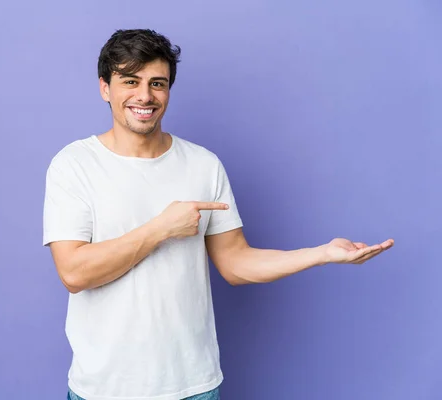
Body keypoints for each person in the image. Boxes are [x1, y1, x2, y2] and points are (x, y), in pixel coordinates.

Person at [42, 29, 394, 400]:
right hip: (103, 389)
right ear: (105, 88)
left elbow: (236, 262)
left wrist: (323, 254)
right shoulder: (74, 165)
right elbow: (74, 272)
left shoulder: (203, 165)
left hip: (195, 386)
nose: (144, 96)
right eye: (130, 81)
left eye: (157, 83)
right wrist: (162, 228)